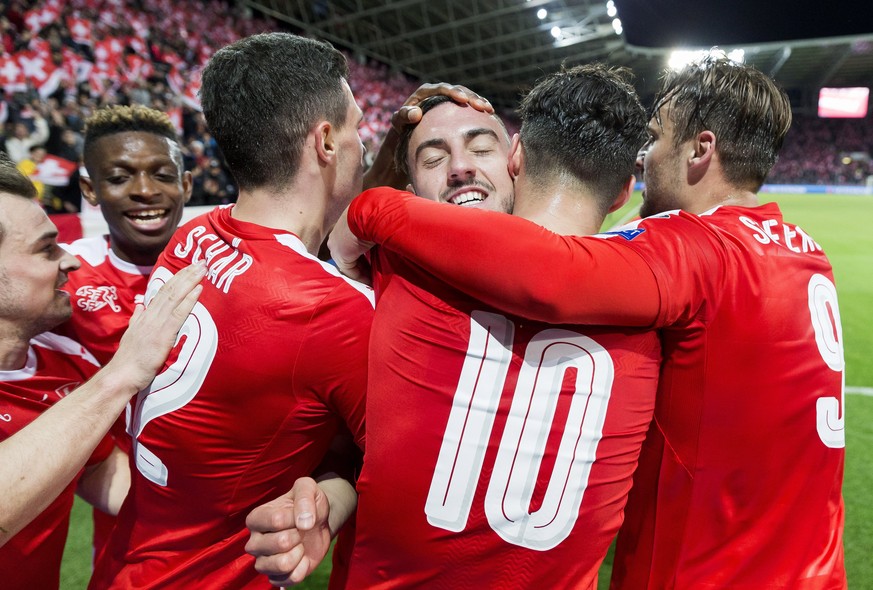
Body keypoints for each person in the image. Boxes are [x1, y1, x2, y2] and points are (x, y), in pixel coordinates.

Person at [327, 54, 847, 588]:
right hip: (811, 561)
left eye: (656, 141)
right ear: (622, 190)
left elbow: (553, 271)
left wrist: (377, 208)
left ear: (701, 150)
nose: (646, 160)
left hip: (703, 571)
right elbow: (603, 238)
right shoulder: (804, 253)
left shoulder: (688, 252)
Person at [247, 65, 661, 588]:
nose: (460, 168)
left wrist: (377, 207)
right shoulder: (653, 300)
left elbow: (346, 230)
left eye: (479, 148)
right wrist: (325, 505)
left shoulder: (397, 261)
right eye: (433, 157)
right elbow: (349, 455)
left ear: (516, 159)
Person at [88, 32, 374, 589]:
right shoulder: (332, 310)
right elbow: (405, 464)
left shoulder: (196, 235)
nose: (364, 144)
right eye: (357, 127)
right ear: (325, 142)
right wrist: (335, 496)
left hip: (127, 562)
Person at [0, 154, 205, 590]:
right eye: (45, 249)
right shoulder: (99, 379)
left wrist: (216, 510)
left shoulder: (63, 364)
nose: (71, 261)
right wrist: (122, 372)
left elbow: (94, 472)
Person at [56, 103, 193, 557]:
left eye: (162, 175)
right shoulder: (66, 276)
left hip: (234, 505)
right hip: (121, 505)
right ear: (90, 191)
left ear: (186, 184)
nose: (144, 191)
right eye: (119, 178)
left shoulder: (224, 265)